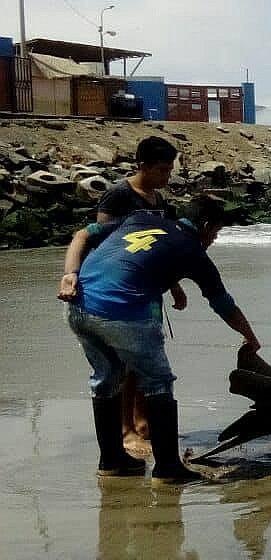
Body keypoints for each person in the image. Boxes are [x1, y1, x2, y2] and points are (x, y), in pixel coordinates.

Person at [58, 195, 261, 483]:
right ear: (204, 225)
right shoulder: (192, 250)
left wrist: (70, 273)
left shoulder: (139, 219)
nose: (213, 240)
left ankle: (112, 461)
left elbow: (88, 235)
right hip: (123, 312)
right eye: (215, 233)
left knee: (106, 378)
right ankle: (168, 469)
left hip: (78, 304)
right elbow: (222, 303)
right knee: (158, 382)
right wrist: (249, 336)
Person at [97, 136, 187, 445]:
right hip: (120, 292)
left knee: (143, 358)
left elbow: (161, 249)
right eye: (162, 170)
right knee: (123, 361)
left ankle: (141, 419)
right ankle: (125, 429)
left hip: (149, 291)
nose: (167, 176)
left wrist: (174, 285)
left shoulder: (158, 202)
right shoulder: (118, 197)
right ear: (143, 165)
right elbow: (102, 243)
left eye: (170, 169)